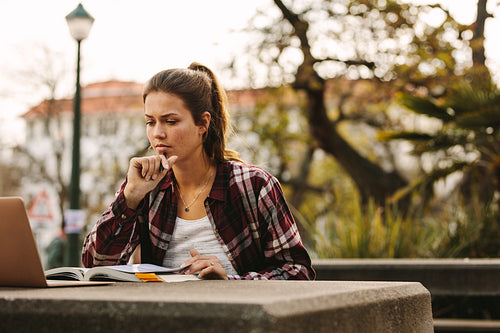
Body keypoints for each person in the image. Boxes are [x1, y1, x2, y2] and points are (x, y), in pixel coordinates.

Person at [82, 62, 315, 280]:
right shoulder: (145, 189)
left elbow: (298, 271)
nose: (157, 134)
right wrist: (129, 199)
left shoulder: (254, 186)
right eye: (150, 122)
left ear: (202, 124)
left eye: (170, 121)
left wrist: (231, 281)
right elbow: (95, 266)